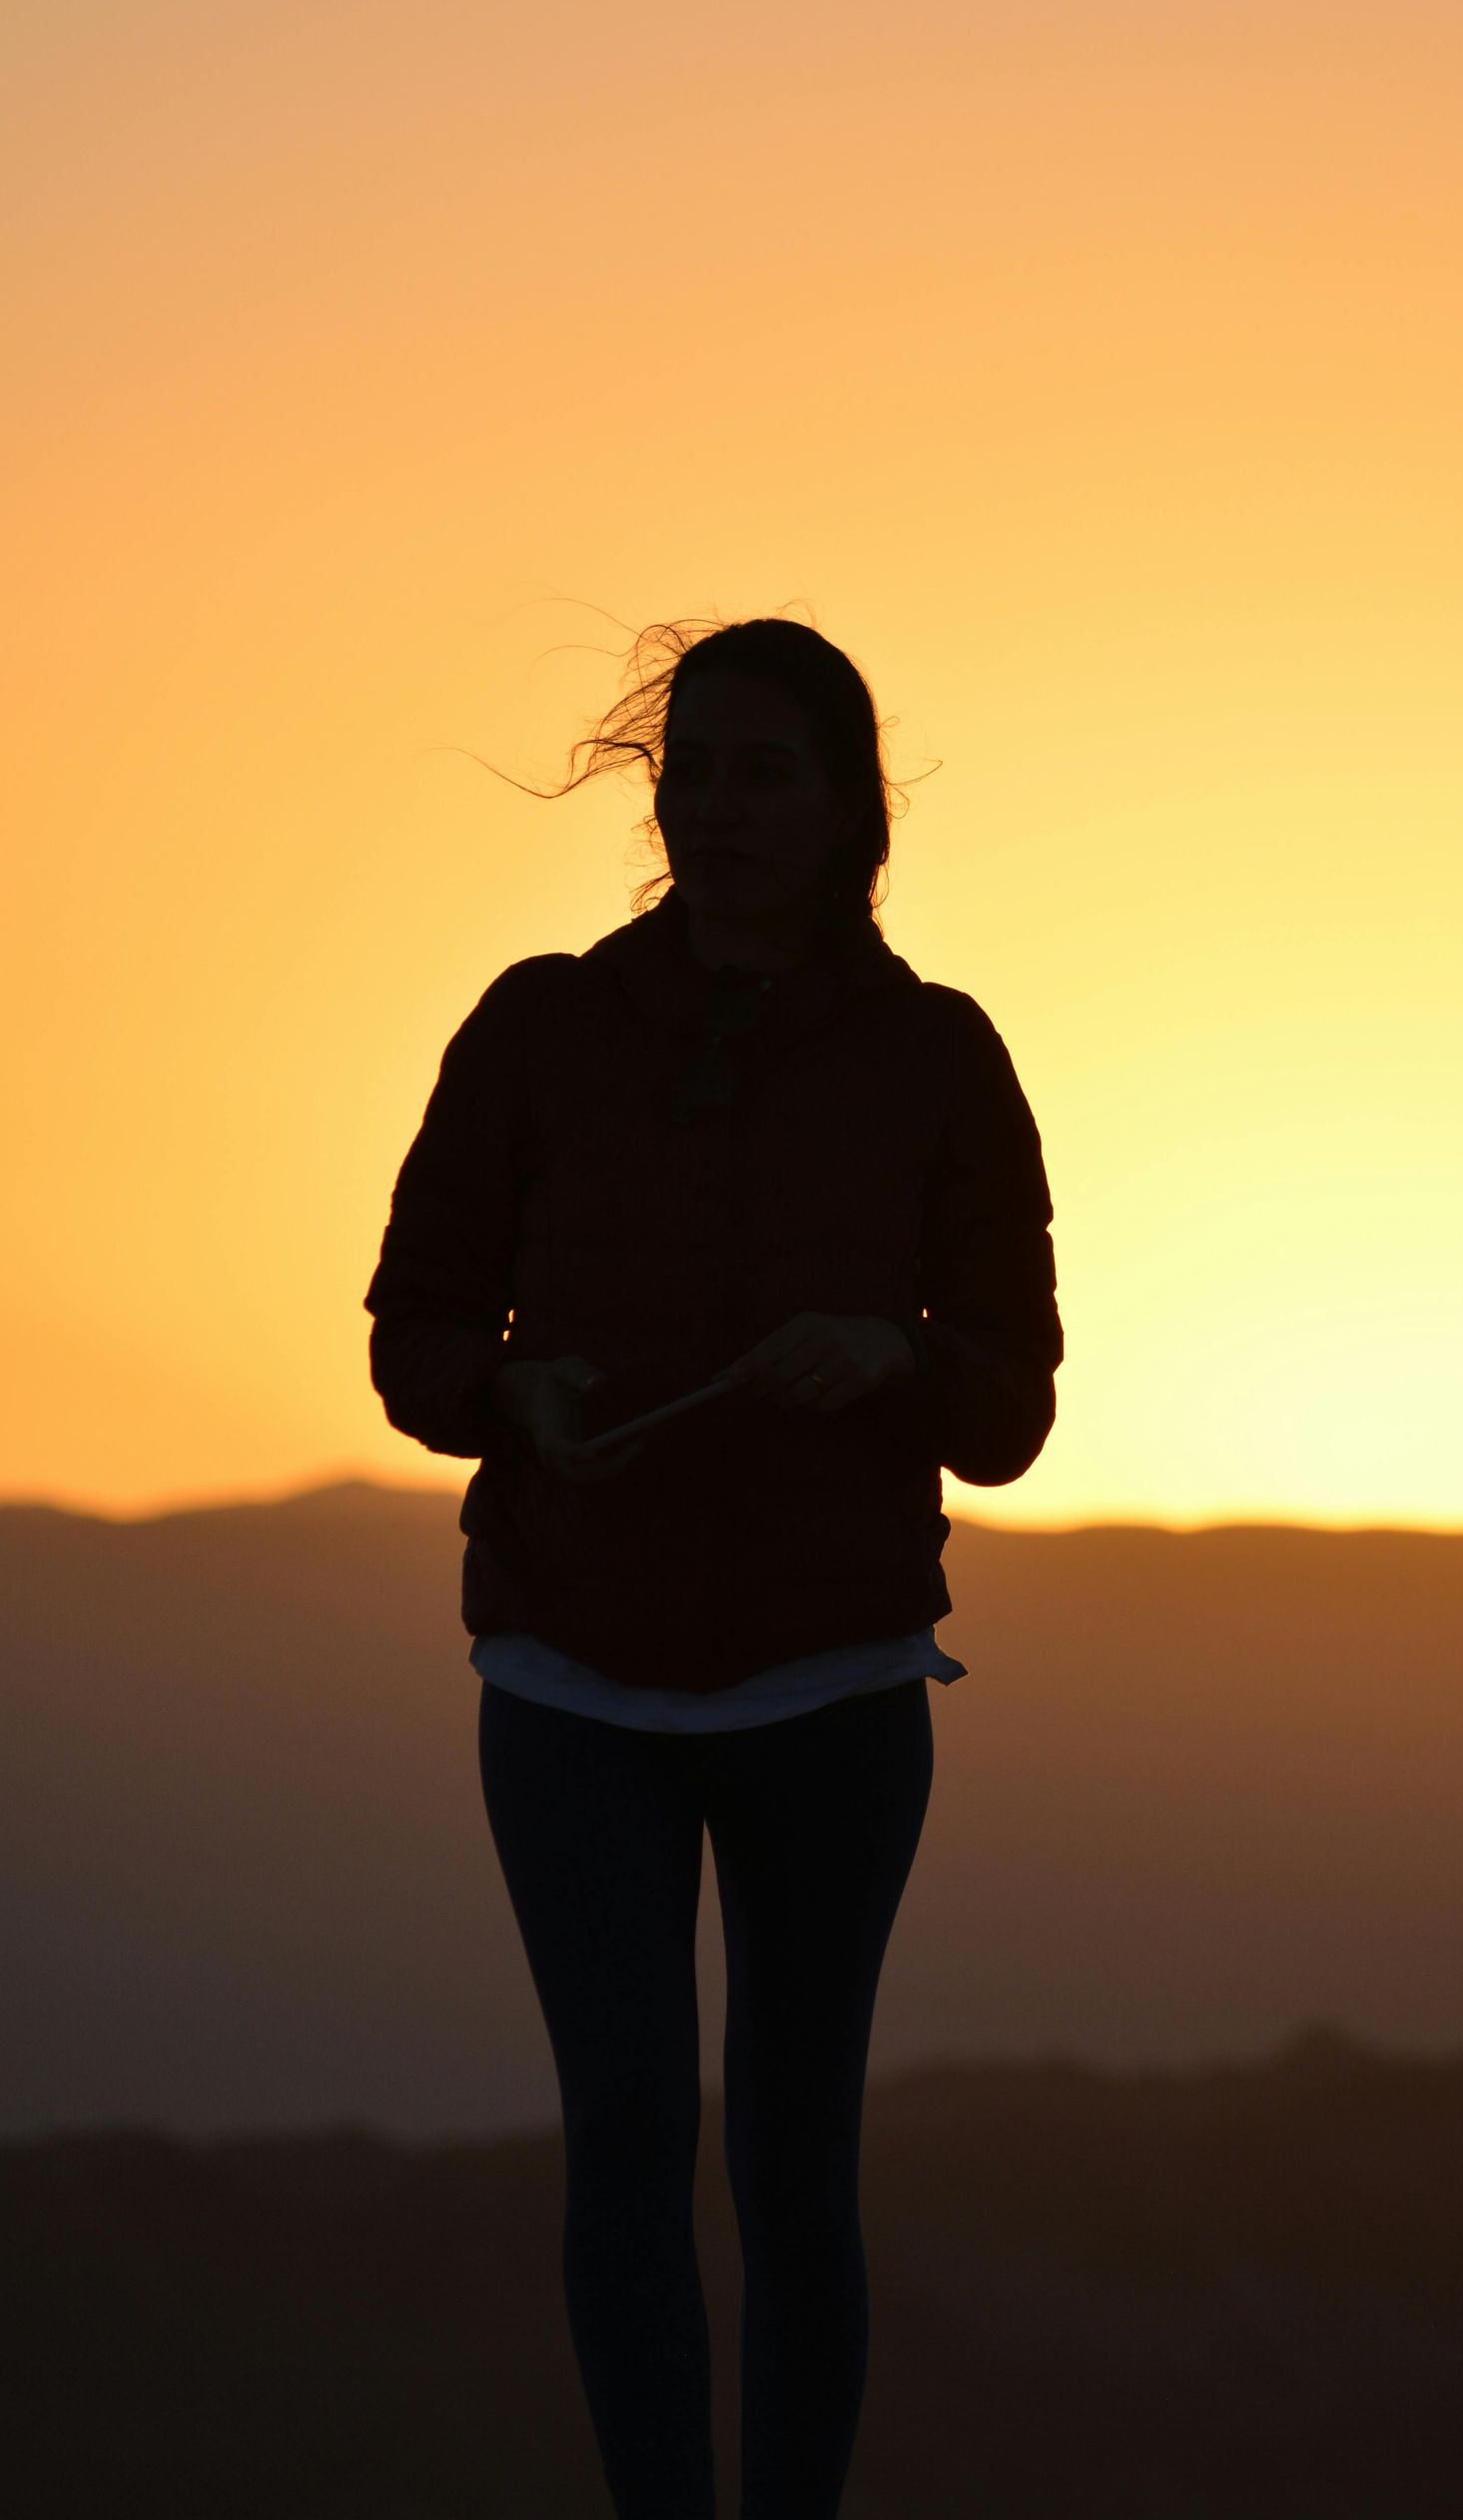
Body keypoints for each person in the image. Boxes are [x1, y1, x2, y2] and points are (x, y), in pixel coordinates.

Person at [363, 615, 1063, 2520]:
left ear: (851, 812)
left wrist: (902, 1352)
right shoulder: (538, 1028)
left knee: (791, 2166)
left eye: (771, 772)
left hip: (834, 1689)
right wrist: (520, 1395)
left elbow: (1013, 1402)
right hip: (570, 1686)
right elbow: (414, 1329)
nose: (719, 806)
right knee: (627, 2147)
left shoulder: (935, 1057)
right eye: (695, 769)